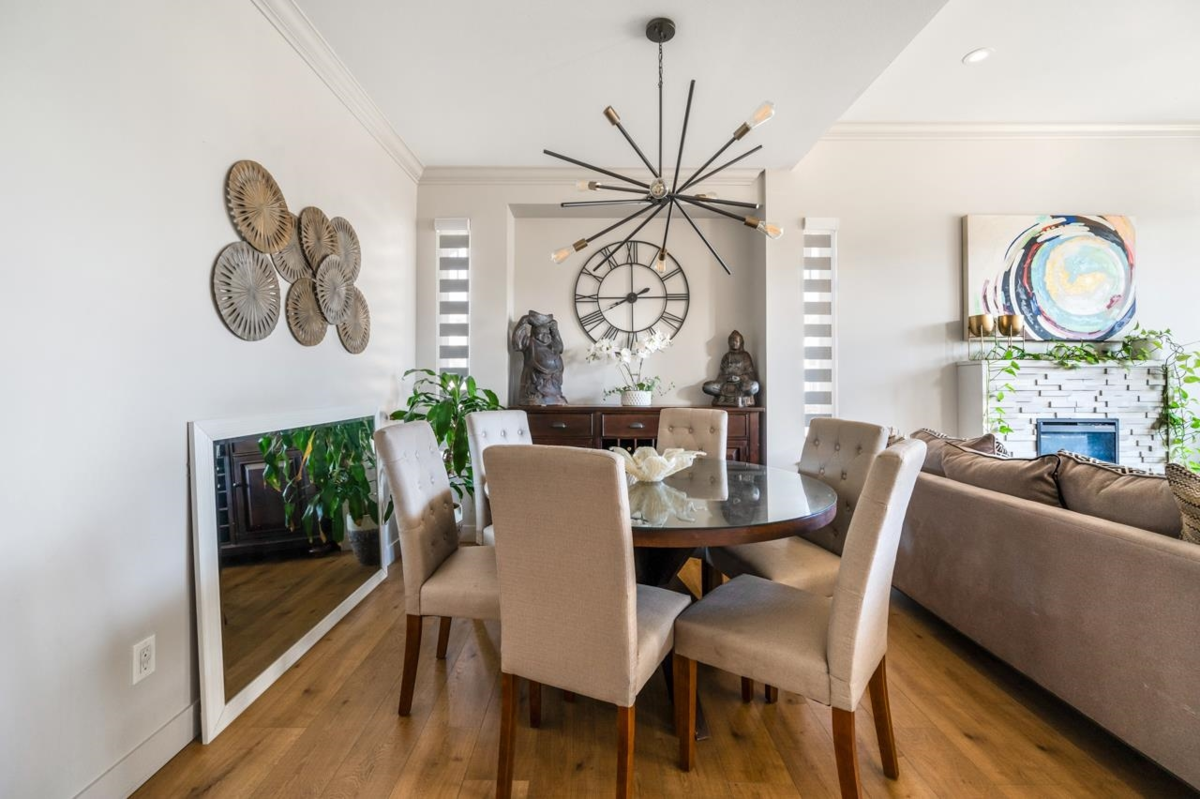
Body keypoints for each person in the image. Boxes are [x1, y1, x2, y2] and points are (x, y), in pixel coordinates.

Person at [703, 330, 760, 407]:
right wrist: (728, 378)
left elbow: (751, 375)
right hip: (726, 384)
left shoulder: (745, 355)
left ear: (741, 342)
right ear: (729, 342)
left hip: (741, 385)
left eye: (736, 341)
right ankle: (729, 398)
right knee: (707, 386)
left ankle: (740, 398)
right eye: (732, 341)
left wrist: (739, 378)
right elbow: (720, 376)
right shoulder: (726, 356)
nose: (734, 343)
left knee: (754, 386)